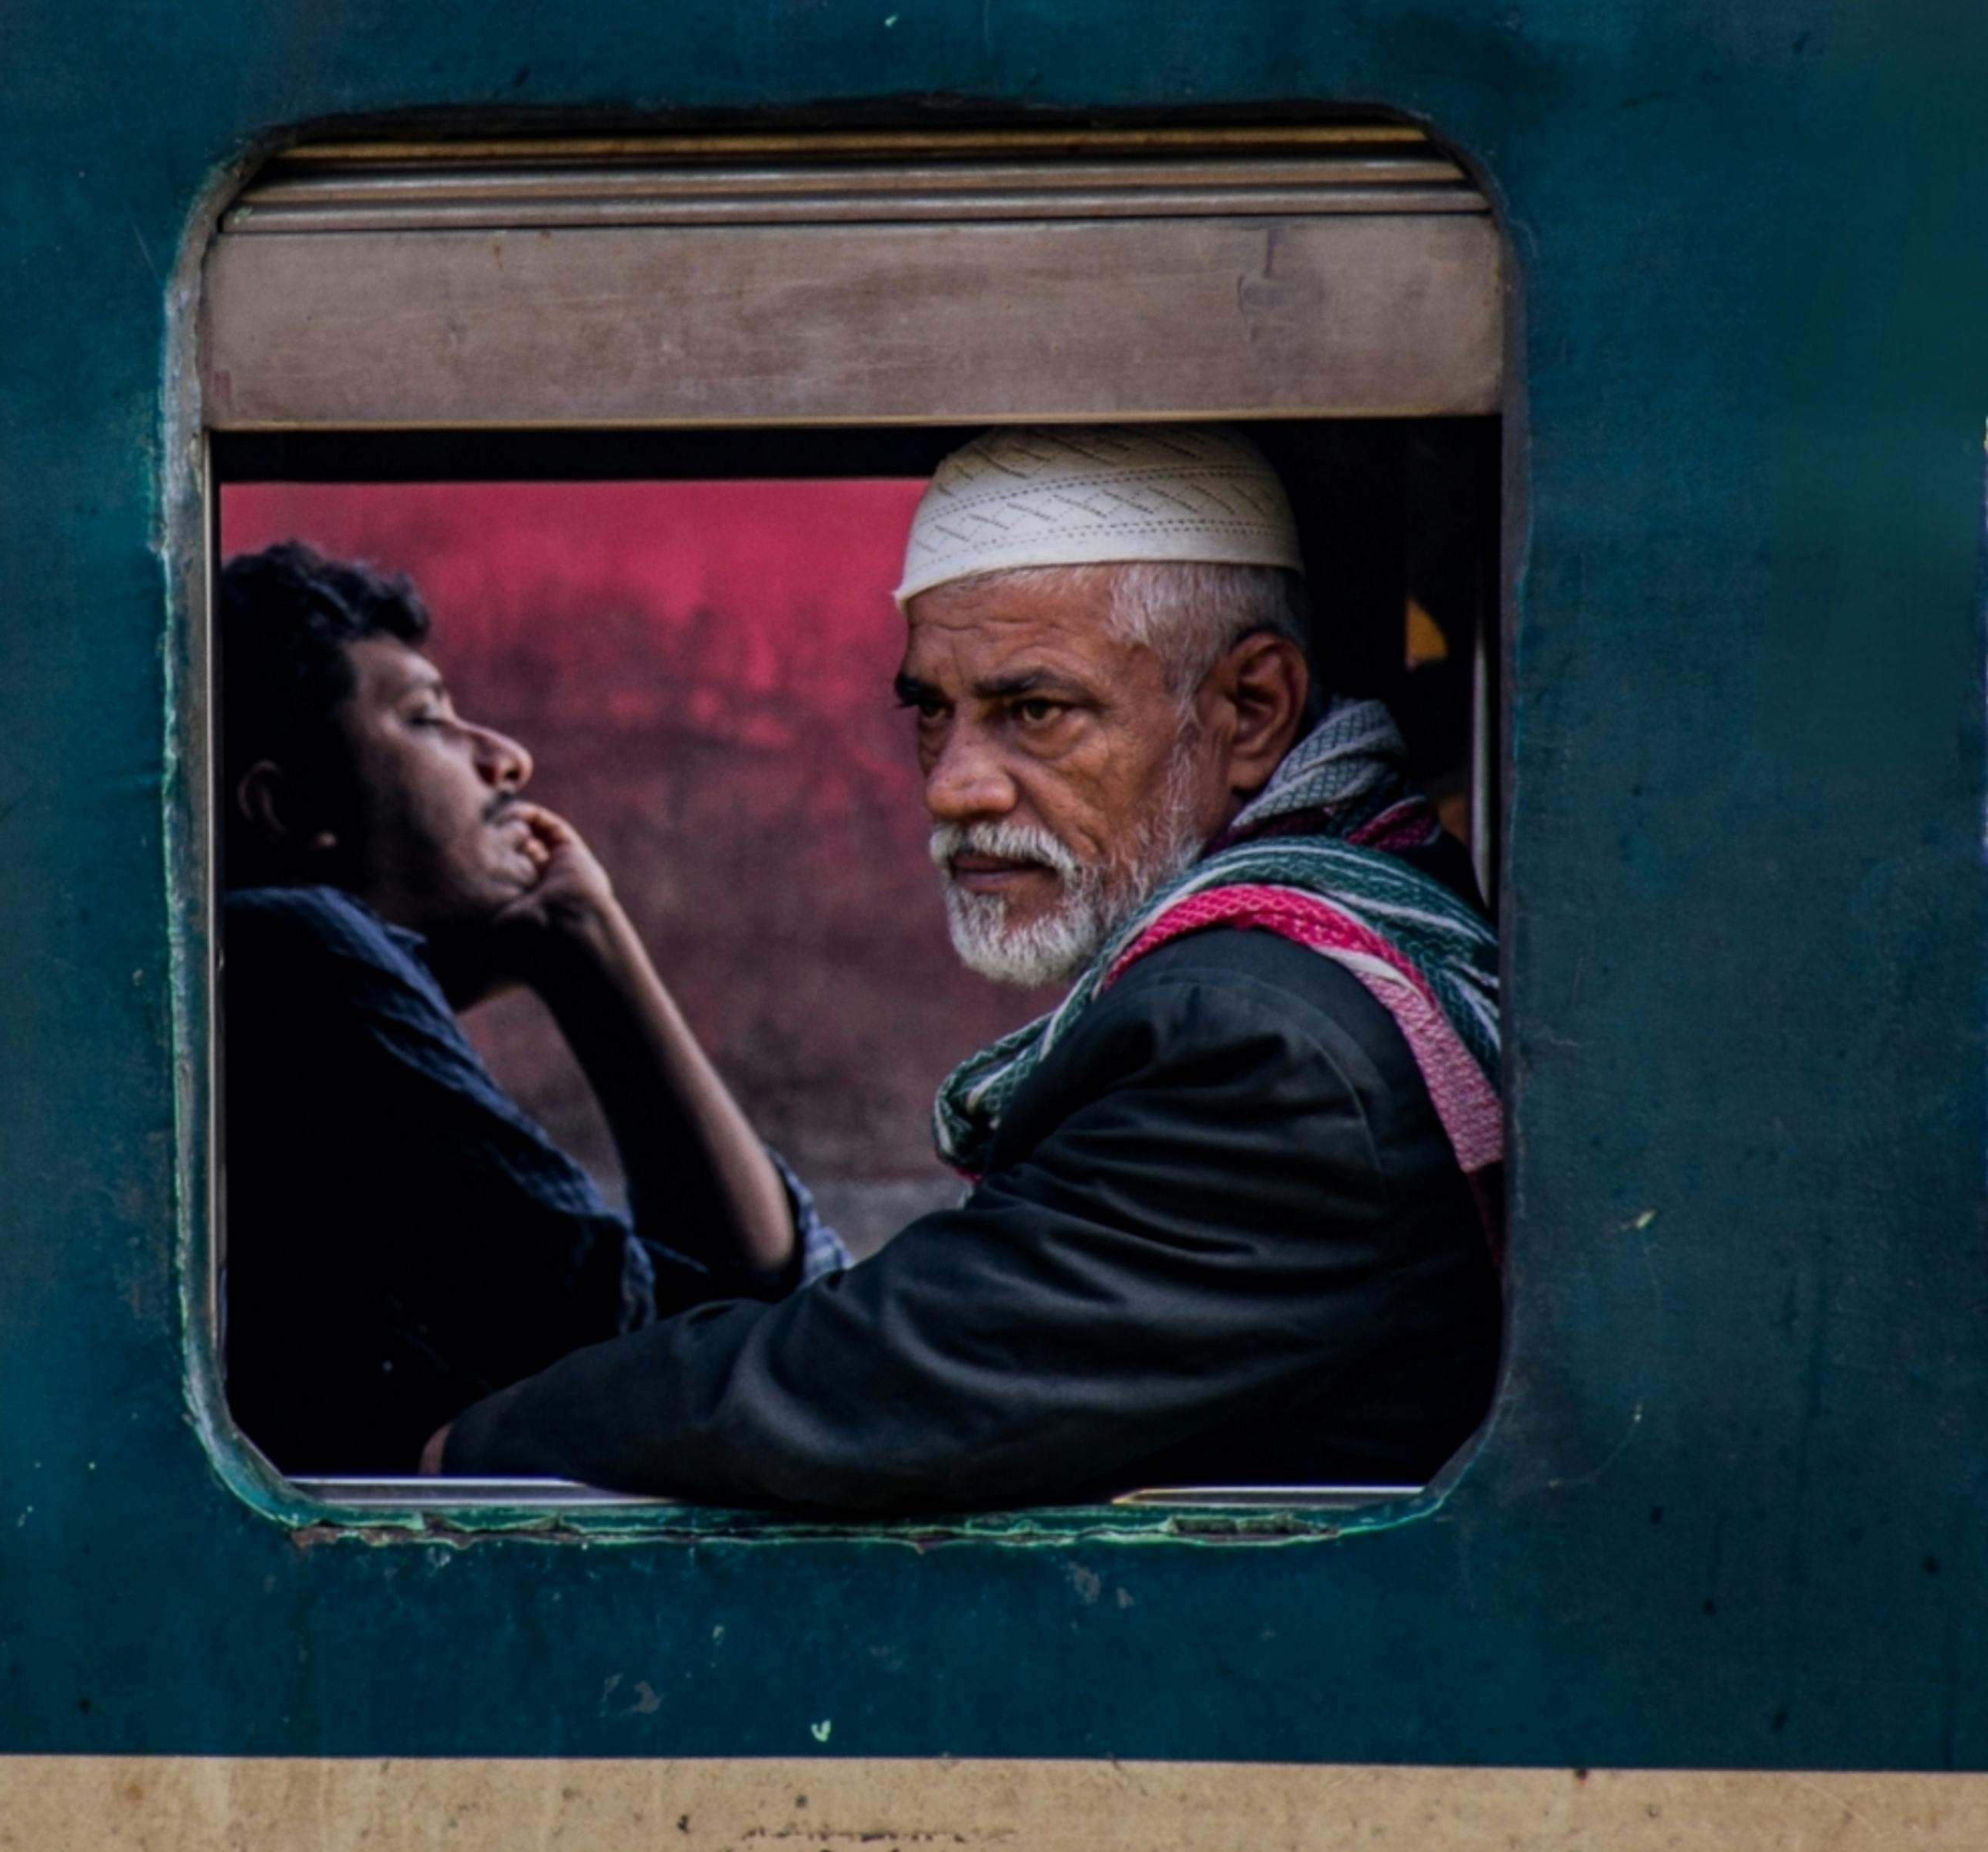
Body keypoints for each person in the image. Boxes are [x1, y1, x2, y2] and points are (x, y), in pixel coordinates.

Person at [428, 427, 1503, 1509]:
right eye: (932, 712)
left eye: (1034, 711)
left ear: (1251, 711)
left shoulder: (1265, 1043)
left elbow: (879, 1391)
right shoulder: (1352, 912)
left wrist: (465, 1452)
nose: (954, 787)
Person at [217, 541, 842, 1474]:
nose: (506, 759)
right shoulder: (295, 944)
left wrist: (570, 941)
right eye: (428, 719)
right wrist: (591, 951)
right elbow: (683, 1338)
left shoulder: (271, 972)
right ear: (288, 807)